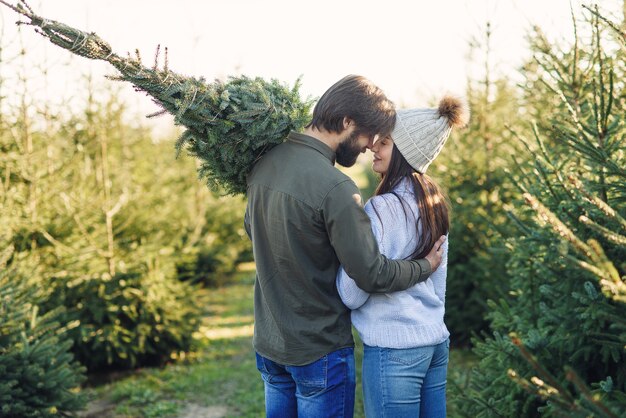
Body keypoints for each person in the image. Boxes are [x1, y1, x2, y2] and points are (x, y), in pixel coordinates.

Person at [244, 75, 447, 418]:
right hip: (318, 350)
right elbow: (370, 274)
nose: (370, 146)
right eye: (370, 135)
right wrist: (425, 265)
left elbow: (254, 231)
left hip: (269, 343)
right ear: (347, 122)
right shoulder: (336, 187)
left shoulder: (263, 164)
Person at [337, 96, 469, 418]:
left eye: (384, 143)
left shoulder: (381, 209)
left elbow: (352, 293)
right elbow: (438, 285)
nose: (373, 148)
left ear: (405, 151)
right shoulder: (434, 203)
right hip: (434, 341)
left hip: (394, 347)